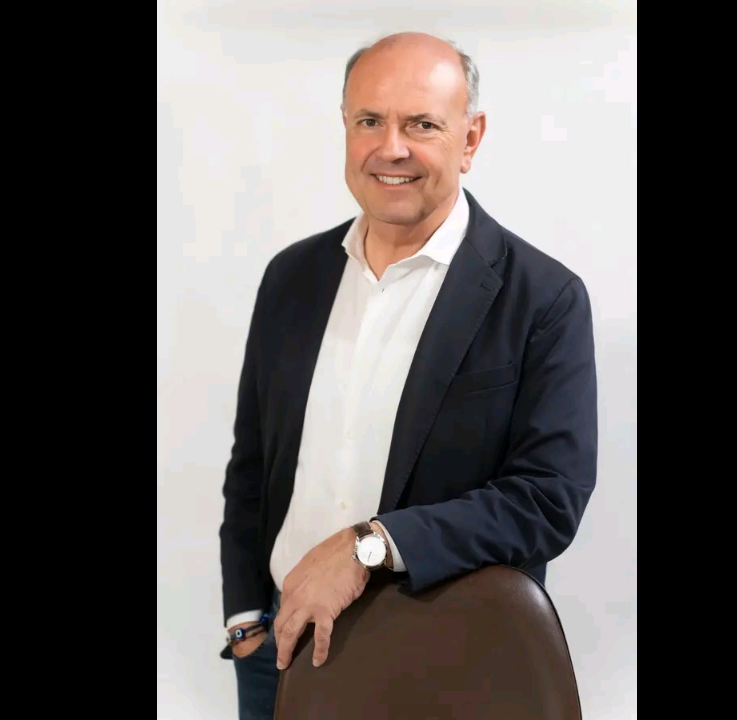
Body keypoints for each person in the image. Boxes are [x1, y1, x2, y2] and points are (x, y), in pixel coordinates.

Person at [218, 31, 598, 720]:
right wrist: (245, 620)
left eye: (422, 124)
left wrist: (369, 546)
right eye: (370, 120)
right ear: (345, 127)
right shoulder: (291, 278)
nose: (390, 148)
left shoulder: (544, 299)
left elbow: (546, 500)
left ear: (470, 138)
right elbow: (253, 467)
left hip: (443, 663)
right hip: (280, 650)